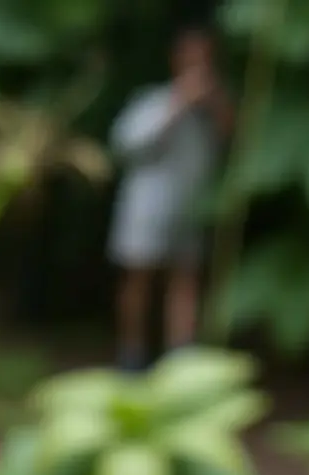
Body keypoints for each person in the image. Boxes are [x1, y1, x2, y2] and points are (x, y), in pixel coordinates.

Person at [106, 26, 232, 371]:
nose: (198, 64)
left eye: (205, 57)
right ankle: (131, 355)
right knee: (139, 278)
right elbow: (128, 146)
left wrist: (216, 102)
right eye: (192, 56)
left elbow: (233, 141)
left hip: (191, 206)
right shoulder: (151, 101)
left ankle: (181, 358)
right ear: (176, 60)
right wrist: (178, 104)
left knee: (186, 278)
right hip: (145, 207)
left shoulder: (211, 108)